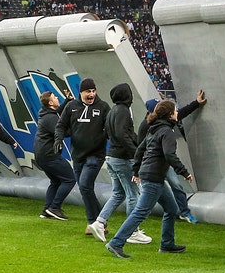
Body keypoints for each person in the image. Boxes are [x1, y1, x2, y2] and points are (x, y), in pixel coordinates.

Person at [104, 99, 190, 258]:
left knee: (171, 208)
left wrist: (136, 171)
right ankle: (116, 243)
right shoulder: (167, 132)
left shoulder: (154, 129)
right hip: (154, 177)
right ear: (170, 114)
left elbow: (139, 151)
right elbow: (169, 155)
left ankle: (167, 244)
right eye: (176, 111)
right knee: (140, 212)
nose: (177, 112)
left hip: (150, 175)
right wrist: (184, 172)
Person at [89, 83, 148, 244]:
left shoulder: (112, 111)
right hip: (122, 158)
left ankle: (99, 222)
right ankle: (132, 231)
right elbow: (123, 134)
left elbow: (109, 133)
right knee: (132, 194)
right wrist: (136, 153)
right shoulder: (123, 111)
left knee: (118, 193)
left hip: (112, 157)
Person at [141, 89, 208, 223]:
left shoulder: (161, 123)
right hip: (154, 165)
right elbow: (142, 147)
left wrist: (196, 103)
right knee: (146, 199)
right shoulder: (147, 126)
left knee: (176, 186)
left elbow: (180, 113)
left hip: (162, 164)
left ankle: (184, 212)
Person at [56, 78, 110, 231]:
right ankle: (101, 222)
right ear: (81, 92)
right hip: (77, 155)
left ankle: (93, 222)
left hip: (96, 155)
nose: (91, 94)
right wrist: (58, 138)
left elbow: (111, 128)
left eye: (93, 91)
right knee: (85, 189)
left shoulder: (104, 107)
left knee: (85, 185)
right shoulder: (71, 106)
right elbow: (61, 125)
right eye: (88, 91)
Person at [33, 91, 75, 220]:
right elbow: (64, 132)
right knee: (70, 179)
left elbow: (58, 112)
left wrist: (67, 101)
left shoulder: (47, 113)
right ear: (50, 103)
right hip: (49, 155)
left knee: (56, 181)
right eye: (55, 97)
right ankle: (54, 207)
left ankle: (47, 210)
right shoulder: (50, 118)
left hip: (42, 155)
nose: (57, 98)